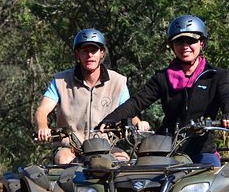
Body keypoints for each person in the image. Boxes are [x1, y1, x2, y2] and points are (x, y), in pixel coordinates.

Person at [98, 15, 229, 167]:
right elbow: (137, 102)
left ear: (202, 43)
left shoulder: (216, 76)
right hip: (165, 148)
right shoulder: (162, 77)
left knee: (212, 180)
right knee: (141, 179)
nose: (185, 46)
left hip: (202, 150)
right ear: (172, 46)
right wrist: (110, 119)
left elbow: (227, 97)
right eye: (179, 41)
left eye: (191, 40)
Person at [36, 28, 148, 164]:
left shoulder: (117, 81)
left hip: (105, 146)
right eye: (84, 51)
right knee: (63, 160)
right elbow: (42, 110)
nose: (90, 55)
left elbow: (128, 112)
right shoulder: (61, 81)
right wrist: (43, 126)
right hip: (70, 147)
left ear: (101, 53)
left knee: (123, 160)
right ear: (77, 54)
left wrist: (139, 123)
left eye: (94, 51)